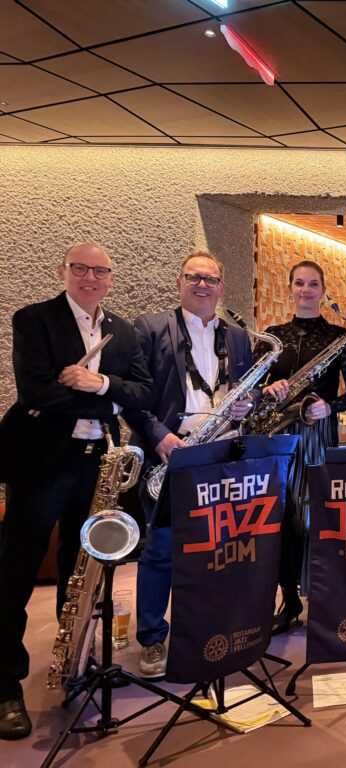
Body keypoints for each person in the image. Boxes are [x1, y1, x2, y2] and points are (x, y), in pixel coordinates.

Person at [0, 243, 154, 740]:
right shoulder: (35, 320)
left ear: (111, 277)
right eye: (80, 268)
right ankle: (5, 684)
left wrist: (99, 383)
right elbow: (35, 393)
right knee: (15, 571)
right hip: (40, 462)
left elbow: (143, 391)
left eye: (100, 271)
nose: (90, 277)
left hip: (94, 462)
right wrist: (110, 402)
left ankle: (74, 664)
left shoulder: (122, 331)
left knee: (81, 567)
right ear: (63, 271)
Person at [124, 251, 256, 679]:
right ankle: (152, 637)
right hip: (172, 450)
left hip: (222, 452)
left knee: (218, 548)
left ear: (222, 286)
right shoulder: (149, 327)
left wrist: (247, 406)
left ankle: (206, 628)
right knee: (161, 549)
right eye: (194, 277)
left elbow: (244, 391)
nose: (203, 285)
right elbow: (132, 395)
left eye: (211, 279)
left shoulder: (238, 336)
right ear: (179, 282)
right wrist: (158, 435)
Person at [258, 260, 346, 634]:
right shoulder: (273, 336)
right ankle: (289, 598)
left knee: (314, 517)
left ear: (323, 290)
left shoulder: (339, 336)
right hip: (278, 433)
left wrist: (332, 406)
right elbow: (251, 389)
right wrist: (267, 389)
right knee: (282, 517)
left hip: (317, 431)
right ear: (290, 289)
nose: (306, 290)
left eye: (313, 284)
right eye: (299, 283)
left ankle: (322, 596)